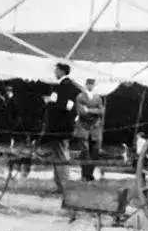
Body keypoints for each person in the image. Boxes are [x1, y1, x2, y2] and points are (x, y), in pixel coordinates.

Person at [39, 62, 82, 193]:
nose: (55, 72)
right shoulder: (66, 86)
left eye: (56, 70)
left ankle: (64, 186)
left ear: (62, 71)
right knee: (58, 156)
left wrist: (50, 103)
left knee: (61, 156)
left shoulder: (65, 87)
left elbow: (66, 107)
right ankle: (60, 185)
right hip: (62, 128)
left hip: (59, 128)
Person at [74, 77, 106, 181]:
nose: (90, 86)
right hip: (83, 127)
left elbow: (101, 111)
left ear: (94, 85)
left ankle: (90, 174)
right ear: (85, 84)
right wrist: (95, 111)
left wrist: (90, 110)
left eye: (92, 84)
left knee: (95, 152)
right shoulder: (80, 96)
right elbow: (82, 112)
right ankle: (84, 175)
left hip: (95, 129)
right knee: (85, 152)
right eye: (88, 84)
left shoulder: (98, 97)